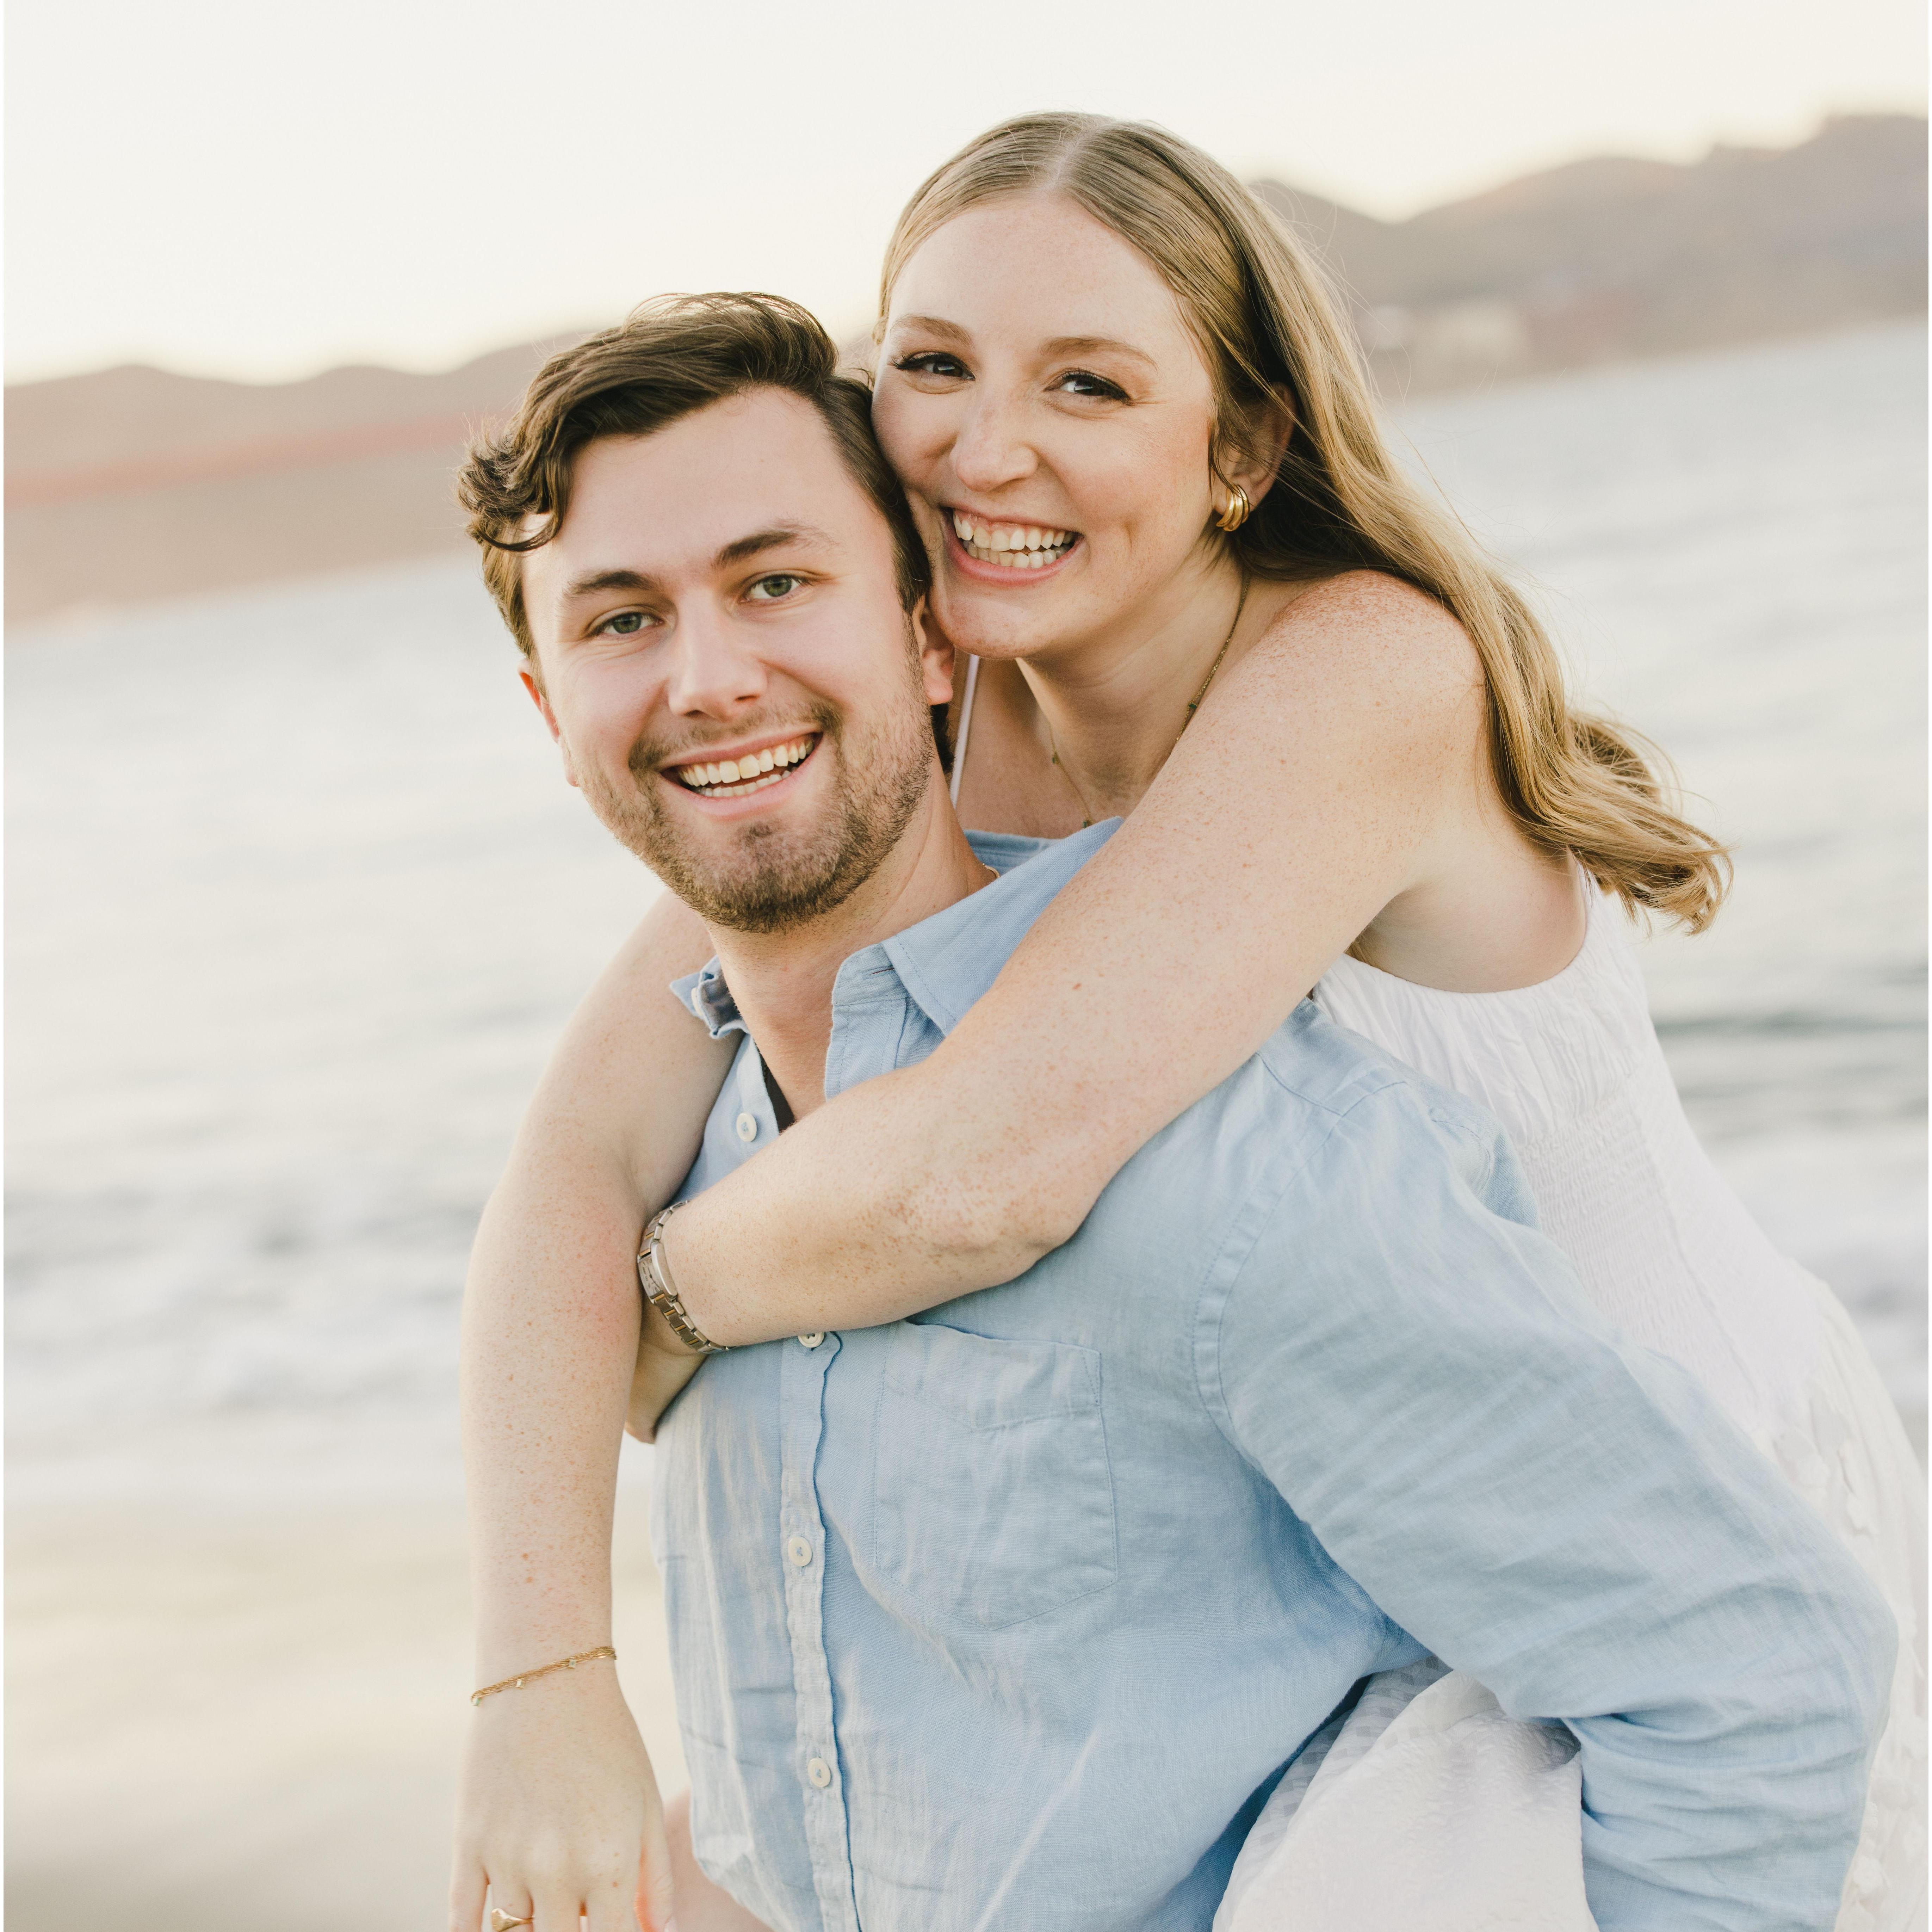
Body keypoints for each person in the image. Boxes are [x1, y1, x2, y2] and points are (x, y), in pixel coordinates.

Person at [457, 113, 1925, 1926]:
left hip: (1674, 1518)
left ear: (1237, 447)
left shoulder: (1360, 671)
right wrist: (541, 1675)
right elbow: (573, 1157)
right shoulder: (936, 713)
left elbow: (982, 1171)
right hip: (1379, 1548)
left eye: (1088, 384)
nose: (987, 446)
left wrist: (667, 1307)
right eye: (934, 367)